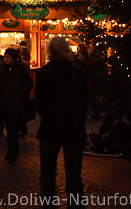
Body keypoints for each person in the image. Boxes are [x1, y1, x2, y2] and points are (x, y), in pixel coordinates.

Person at [35, 37, 88, 207]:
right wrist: (77, 119)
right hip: (73, 129)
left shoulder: (44, 73)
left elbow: (39, 102)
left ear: (50, 52)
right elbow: (84, 101)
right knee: (73, 173)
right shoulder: (78, 73)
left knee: (48, 172)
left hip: (50, 128)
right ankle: (75, 204)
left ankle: (48, 203)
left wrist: (49, 115)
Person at [0, 48, 33, 162]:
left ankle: (12, 151)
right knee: (10, 128)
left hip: (17, 104)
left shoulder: (20, 69)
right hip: (5, 104)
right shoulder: (2, 70)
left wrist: (21, 92)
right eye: (5, 56)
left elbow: (29, 83)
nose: (6, 59)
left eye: (9, 57)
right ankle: (12, 149)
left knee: (14, 128)